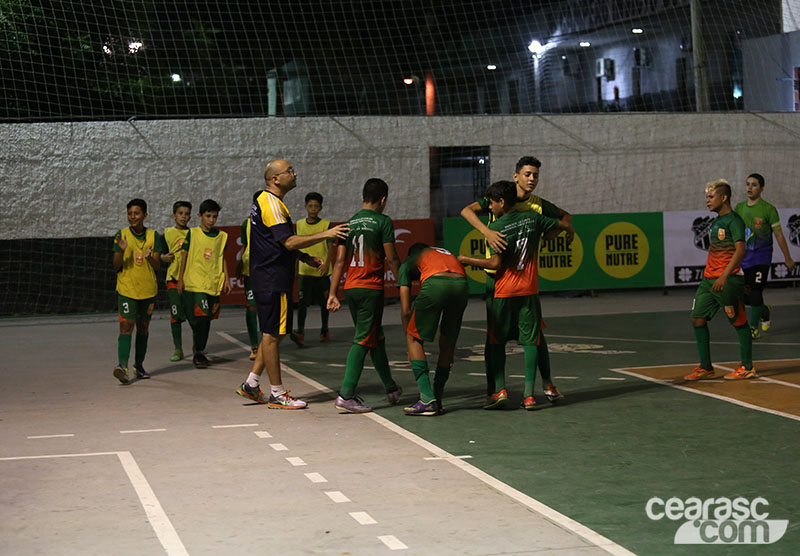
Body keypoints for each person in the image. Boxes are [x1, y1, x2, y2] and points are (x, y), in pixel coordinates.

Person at [236, 160, 348, 409]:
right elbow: (287, 242)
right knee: (273, 335)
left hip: (269, 277)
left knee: (272, 333)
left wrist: (305, 257)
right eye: (289, 171)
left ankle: (251, 384)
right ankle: (277, 394)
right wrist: (326, 234)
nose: (294, 173)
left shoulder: (268, 202)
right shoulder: (272, 203)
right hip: (272, 279)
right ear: (275, 179)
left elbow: (275, 242)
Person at [460, 156, 572, 402]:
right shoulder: (498, 197)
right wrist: (487, 232)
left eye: (535, 175)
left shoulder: (537, 206)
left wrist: (549, 237)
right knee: (497, 337)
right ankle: (496, 388)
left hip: (519, 277)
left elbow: (566, 219)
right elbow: (466, 211)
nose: (532, 179)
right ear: (516, 176)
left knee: (533, 336)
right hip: (496, 279)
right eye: (527, 174)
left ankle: (546, 383)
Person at [326, 178, 403, 414]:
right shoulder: (383, 221)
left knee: (375, 337)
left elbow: (340, 260)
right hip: (371, 289)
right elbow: (391, 257)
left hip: (351, 288)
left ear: (362, 197)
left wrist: (333, 292)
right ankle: (346, 395)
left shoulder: (347, 224)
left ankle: (391, 387)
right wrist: (403, 283)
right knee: (362, 339)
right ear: (383, 200)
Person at [685, 180, 755, 381]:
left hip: (728, 280)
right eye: (706, 197)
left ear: (723, 198)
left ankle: (747, 367)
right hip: (708, 280)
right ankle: (706, 367)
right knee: (697, 318)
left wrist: (724, 276)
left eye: (711, 197)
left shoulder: (734, 221)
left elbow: (740, 250)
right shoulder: (716, 222)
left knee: (738, 321)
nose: (707, 200)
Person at [398, 243, 469, 416]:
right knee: (448, 341)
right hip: (462, 284)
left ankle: (427, 399)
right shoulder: (444, 253)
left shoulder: (409, 262)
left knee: (413, 337)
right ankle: (437, 398)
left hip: (435, 283)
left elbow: (406, 311)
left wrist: (410, 344)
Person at [734, 173, 796, 339]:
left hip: (761, 257)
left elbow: (779, 235)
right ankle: (764, 310)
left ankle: (753, 328)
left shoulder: (768, 209)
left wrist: (788, 257)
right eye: (748, 184)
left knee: (756, 290)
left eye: (754, 185)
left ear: (762, 188)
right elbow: (735, 233)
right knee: (744, 297)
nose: (750, 187)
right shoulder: (739, 208)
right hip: (743, 258)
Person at [112, 198, 165, 383]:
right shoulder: (121, 235)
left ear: (145, 215)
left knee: (143, 328)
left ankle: (139, 365)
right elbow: (116, 265)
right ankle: (122, 366)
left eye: (136, 213)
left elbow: (157, 266)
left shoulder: (154, 236)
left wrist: (149, 257)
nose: (132, 217)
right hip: (127, 289)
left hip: (148, 290)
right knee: (126, 326)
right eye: (129, 214)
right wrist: (121, 251)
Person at [177, 199, 232, 368]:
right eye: (208, 216)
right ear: (200, 216)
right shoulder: (192, 234)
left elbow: (222, 258)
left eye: (214, 216)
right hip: (195, 282)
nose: (211, 220)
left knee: (207, 318)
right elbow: (184, 256)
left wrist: (227, 278)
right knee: (200, 317)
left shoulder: (221, 237)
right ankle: (198, 352)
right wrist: (180, 278)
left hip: (213, 283)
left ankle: (199, 349)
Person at [290, 192, 336, 346]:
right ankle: (300, 332)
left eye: (316, 206)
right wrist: (296, 268)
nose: (313, 209)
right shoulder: (299, 225)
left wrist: (327, 264)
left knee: (324, 303)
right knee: (302, 304)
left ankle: (325, 330)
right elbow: (295, 247)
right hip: (305, 272)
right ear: (305, 207)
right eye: (310, 206)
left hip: (322, 272)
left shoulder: (326, 225)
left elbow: (331, 248)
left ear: (320, 208)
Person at [161, 201, 192, 362]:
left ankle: (197, 348)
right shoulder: (167, 233)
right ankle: (178, 348)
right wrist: (163, 257)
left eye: (186, 214)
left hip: (190, 279)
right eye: (180, 213)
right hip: (173, 278)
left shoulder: (194, 234)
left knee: (194, 314)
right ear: (174, 216)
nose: (183, 217)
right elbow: (160, 253)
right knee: (175, 313)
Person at [235, 191, 263, 361]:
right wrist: (240, 265)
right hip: (250, 271)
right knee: (251, 307)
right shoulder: (246, 224)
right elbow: (245, 247)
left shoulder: (273, 221)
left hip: (267, 272)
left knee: (267, 308)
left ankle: (267, 344)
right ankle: (254, 346)